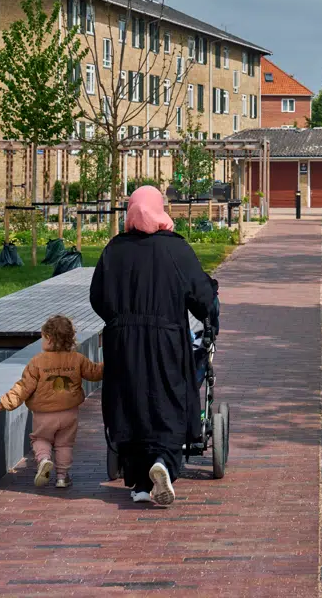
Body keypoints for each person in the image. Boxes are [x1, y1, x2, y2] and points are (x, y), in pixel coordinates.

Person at [90, 186, 218, 506]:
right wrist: (211, 322)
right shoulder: (176, 250)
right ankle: (163, 461)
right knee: (166, 398)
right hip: (166, 341)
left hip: (123, 342)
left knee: (130, 402)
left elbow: (98, 297)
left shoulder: (114, 250)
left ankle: (141, 484)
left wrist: (120, 320)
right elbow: (202, 296)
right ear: (160, 209)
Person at [0, 314, 103, 489]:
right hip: (69, 413)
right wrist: (111, 362)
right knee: (64, 444)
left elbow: (24, 386)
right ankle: (61, 477)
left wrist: (6, 402)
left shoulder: (37, 362)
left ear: (49, 339)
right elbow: (95, 373)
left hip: (44, 414)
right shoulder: (77, 358)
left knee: (40, 439)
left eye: (42, 337)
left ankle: (43, 460)